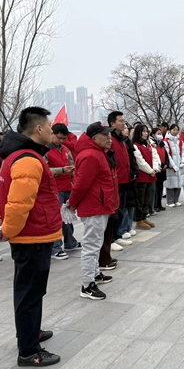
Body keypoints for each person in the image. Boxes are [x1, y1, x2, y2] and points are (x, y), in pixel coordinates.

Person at [0, 107, 61, 367]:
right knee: (30, 293)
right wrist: (7, 229)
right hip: (32, 236)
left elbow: (8, 197)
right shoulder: (28, 159)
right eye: (50, 126)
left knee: (32, 290)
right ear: (39, 128)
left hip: (33, 234)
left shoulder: (17, 156)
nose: (52, 131)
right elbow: (19, 203)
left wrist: (1, 218)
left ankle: (31, 332)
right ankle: (29, 351)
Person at [69, 122, 119, 299]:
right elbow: (81, 184)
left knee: (96, 244)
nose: (109, 138)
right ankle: (87, 284)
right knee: (91, 246)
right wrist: (72, 204)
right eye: (105, 135)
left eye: (109, 135)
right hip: (94, 207)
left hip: (100, 205)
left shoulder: (97, 152)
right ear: (94, 138)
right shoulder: (91, 155)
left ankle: (95, 274)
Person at [44, 123, 80, 260]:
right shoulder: (45, 149)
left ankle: (70, 242)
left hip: (67, 186)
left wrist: (73, 175)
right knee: (56, 219)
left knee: (68, 216)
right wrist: (61, 170)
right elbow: (44, 169)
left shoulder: (65, 149)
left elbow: (72, 165)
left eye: (64, 138)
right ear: (52, 134)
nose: (61, 141)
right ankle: (56, 248)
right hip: (54, 189)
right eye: (59, 138)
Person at [108, 111, 137, 248]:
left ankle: (118, 234)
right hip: (116, 181)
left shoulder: (123, 140)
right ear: (112, 123)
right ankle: (111, 239)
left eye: (124, 121)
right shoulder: (110, 140)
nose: (123, 123)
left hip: (126, 179)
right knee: (114, 211)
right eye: (120, 121)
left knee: (122, 209)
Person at [132, 124, 160, 229]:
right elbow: (140, 161)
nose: (145, 133)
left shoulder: (149, 145)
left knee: (146, 199)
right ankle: (138, 220)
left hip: (150, 175)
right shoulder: (135, 146)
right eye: (143, 131)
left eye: (146, 131)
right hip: (142, 176)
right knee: (140, 199)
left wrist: (155, 169)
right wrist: (150, 170)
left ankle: (144, 217)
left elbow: (155, 157)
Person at [164, 124, 184, 207]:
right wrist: (173, 165)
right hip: (171, 167)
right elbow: (167, 154)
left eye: (177, 130)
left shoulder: (180, 141)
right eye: (173, 130)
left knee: (178, 183)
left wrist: (183, 162)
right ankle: (170, 201)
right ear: (170, 130)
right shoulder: (166, 141)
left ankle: (176, 200)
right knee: (170, 184)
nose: (175, 131)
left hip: (180, 165)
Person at [151, 128, 168, 212]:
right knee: (156, 188)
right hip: (157, 168)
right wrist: (160, 164)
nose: (160, 135)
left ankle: (159, 204)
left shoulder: (162, 144)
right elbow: (154, 157)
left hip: (163, 169)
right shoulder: (152, 144)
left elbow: (166, 155)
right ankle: (154, 205)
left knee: (160, 187)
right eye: (158, 133)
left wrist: (166, 164)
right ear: (153, 135)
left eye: (161, 133)